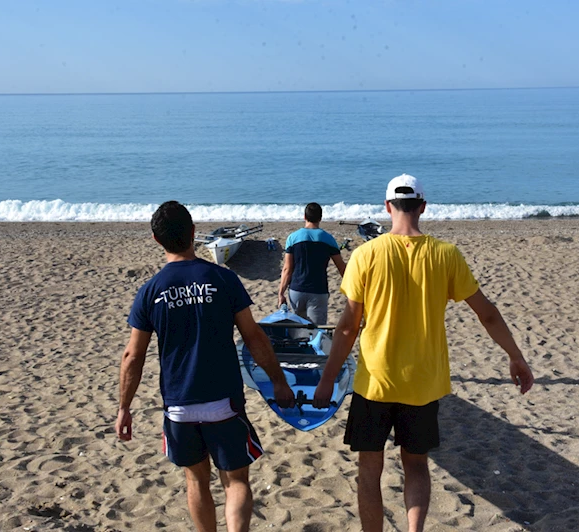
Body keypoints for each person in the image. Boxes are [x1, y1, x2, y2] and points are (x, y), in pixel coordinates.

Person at [313, 174, 534, 532]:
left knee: (369, 470)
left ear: (387, 207)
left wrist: (327, 380)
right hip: (423, 384)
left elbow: (348, 328)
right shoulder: (446, 254)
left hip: (375, 383)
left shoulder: (366, 254)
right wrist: (515, 356)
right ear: (423, 207)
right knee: (416, 466)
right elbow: (488, 314)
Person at [115, 201, 295, 532]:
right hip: (223, 401)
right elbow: (254, 337)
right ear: (194, 233)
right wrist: (279, 381)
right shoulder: (222, 278)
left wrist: (124, 408)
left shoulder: (151, 291)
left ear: (157, 240)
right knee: (236, 480)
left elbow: (132, 356)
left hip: (179, 405)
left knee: (196, 480)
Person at [278, 202, 346, 324]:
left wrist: (281, 293)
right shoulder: (328, 239)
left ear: (304, 217)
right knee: (317, 330)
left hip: (296, 290)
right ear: (320, 218)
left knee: (298, 330)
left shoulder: (293, 238)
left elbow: (287, 269)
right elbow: (342, 268)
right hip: (318, 291)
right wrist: (352, 290)